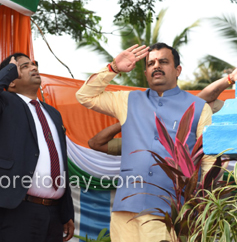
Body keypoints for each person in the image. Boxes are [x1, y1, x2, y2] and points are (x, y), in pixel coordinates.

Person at [76, 43, 212, 242]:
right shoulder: (128, 100)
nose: (156, 66)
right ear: (146, 73)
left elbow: (208, 158)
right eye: (150, 64)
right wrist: (113, 68)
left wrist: (204, 202)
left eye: (163, 62)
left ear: (178, 70)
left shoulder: (199, 108)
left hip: (169, 211)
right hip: (125, 210)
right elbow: (85, 96)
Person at [0, 53, 74, 242]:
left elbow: (60, 161)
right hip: (17, 209)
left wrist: (66, 212)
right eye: (25, 66)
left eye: (34, 64)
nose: (34, 68)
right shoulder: (3, 103)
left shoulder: (53, 113)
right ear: (11, 81)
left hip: (53, 212)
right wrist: (9, 70)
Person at [90, 60, 237, 155]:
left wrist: (230, 79)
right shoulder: (138, 142)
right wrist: (128, 120)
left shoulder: (181, 119)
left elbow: (205, 98)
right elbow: (95, 143)